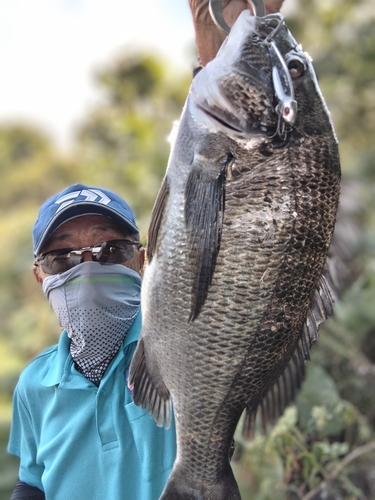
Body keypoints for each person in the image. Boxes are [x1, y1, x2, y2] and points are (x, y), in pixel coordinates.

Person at [8, 184, 176, 500]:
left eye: (110, 250)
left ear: (140, 261)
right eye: (62, 257)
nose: (87, 268)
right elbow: (33, 481)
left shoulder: (185, 349)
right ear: (40, 276)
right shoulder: (34, 384)